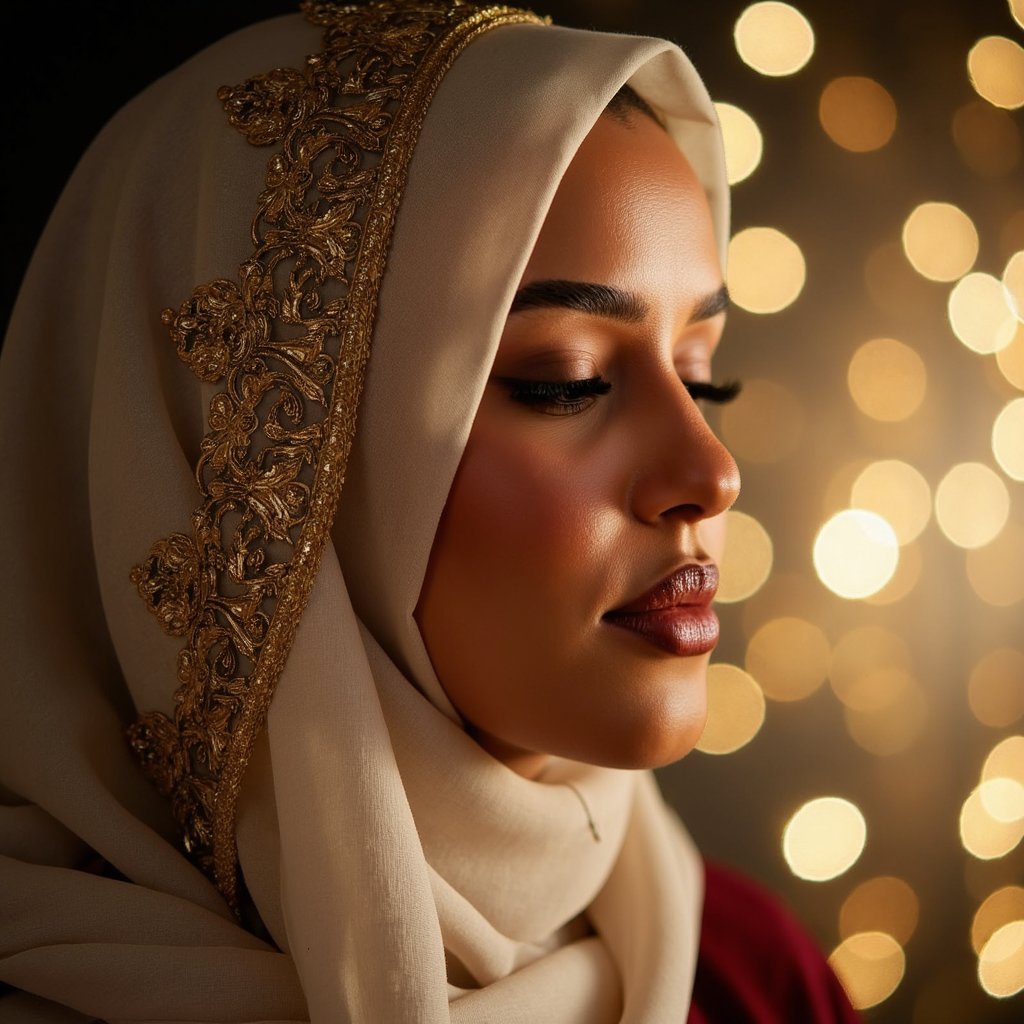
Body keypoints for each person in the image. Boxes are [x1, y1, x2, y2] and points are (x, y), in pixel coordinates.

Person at [0, 1, 860, 1020]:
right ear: (249, 463)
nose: (711, 473)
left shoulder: (754, 980)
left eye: (701, 373)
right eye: (567, 380)